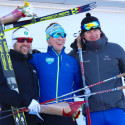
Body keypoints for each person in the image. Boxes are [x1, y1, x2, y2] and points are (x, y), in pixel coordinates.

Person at [69, 13, 125, 125]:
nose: (93, 34)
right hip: (92, 111)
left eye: (95, 30)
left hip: (116, 109)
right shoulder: (78, 54)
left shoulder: (115, 49)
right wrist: (74, 49)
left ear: (100, 31)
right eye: (88, 32)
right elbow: (65, 69)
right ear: (83, 35)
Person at [30, 23, 82, 125]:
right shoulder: (37, 58)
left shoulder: (72, 61)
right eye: (56, 34)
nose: (60, 38)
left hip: (66, 114)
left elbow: (78, 88)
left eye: (63, 35)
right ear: (48, 39)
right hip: (45, 114)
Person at [0, 27, 43, 125]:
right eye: (21, 40)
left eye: (29, 40)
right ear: (14, 42)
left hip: (32, 119)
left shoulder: (31, 65)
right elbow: (2, 91)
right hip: (11, 119)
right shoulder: (5, 63)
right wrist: (27, 101)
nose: (25, 43)